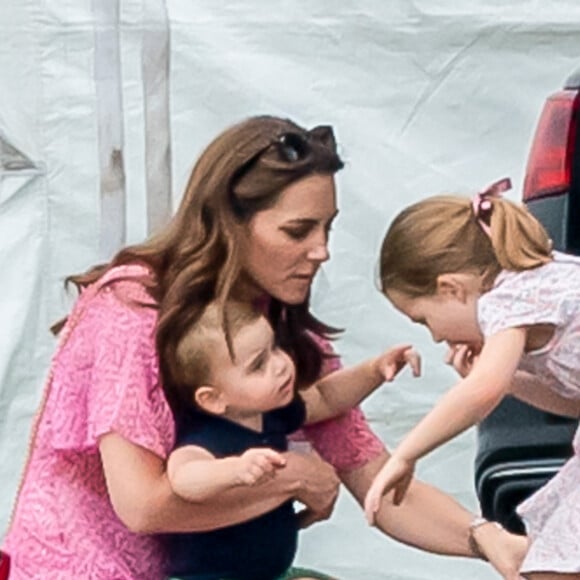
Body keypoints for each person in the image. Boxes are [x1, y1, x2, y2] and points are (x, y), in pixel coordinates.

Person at [2, 117, 526, 580]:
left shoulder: (282, 334)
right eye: (298, 230)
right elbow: (144, 506)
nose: (321, 250)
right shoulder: (132, 306)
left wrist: (485, 539)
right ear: (229, 223)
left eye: (327, 228)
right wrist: (294, 476)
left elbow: (382, 486)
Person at [364, 179, 580, 579]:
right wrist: (514, 379)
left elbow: (482, 392)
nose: (435, 336)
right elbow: (574, 403)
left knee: (551, 568)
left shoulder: (507, 297)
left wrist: (406, 453)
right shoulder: (545, 279)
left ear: (451, 289)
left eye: (424, 319)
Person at [165, 299, 419, 580]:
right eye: (258, 365)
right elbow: (184, 477)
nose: (280, 365)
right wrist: (234, 470)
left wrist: (374, 370)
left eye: (275, 348)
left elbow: (326, 398)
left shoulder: (271, 412)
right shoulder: (207, 435)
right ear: (213, 399)